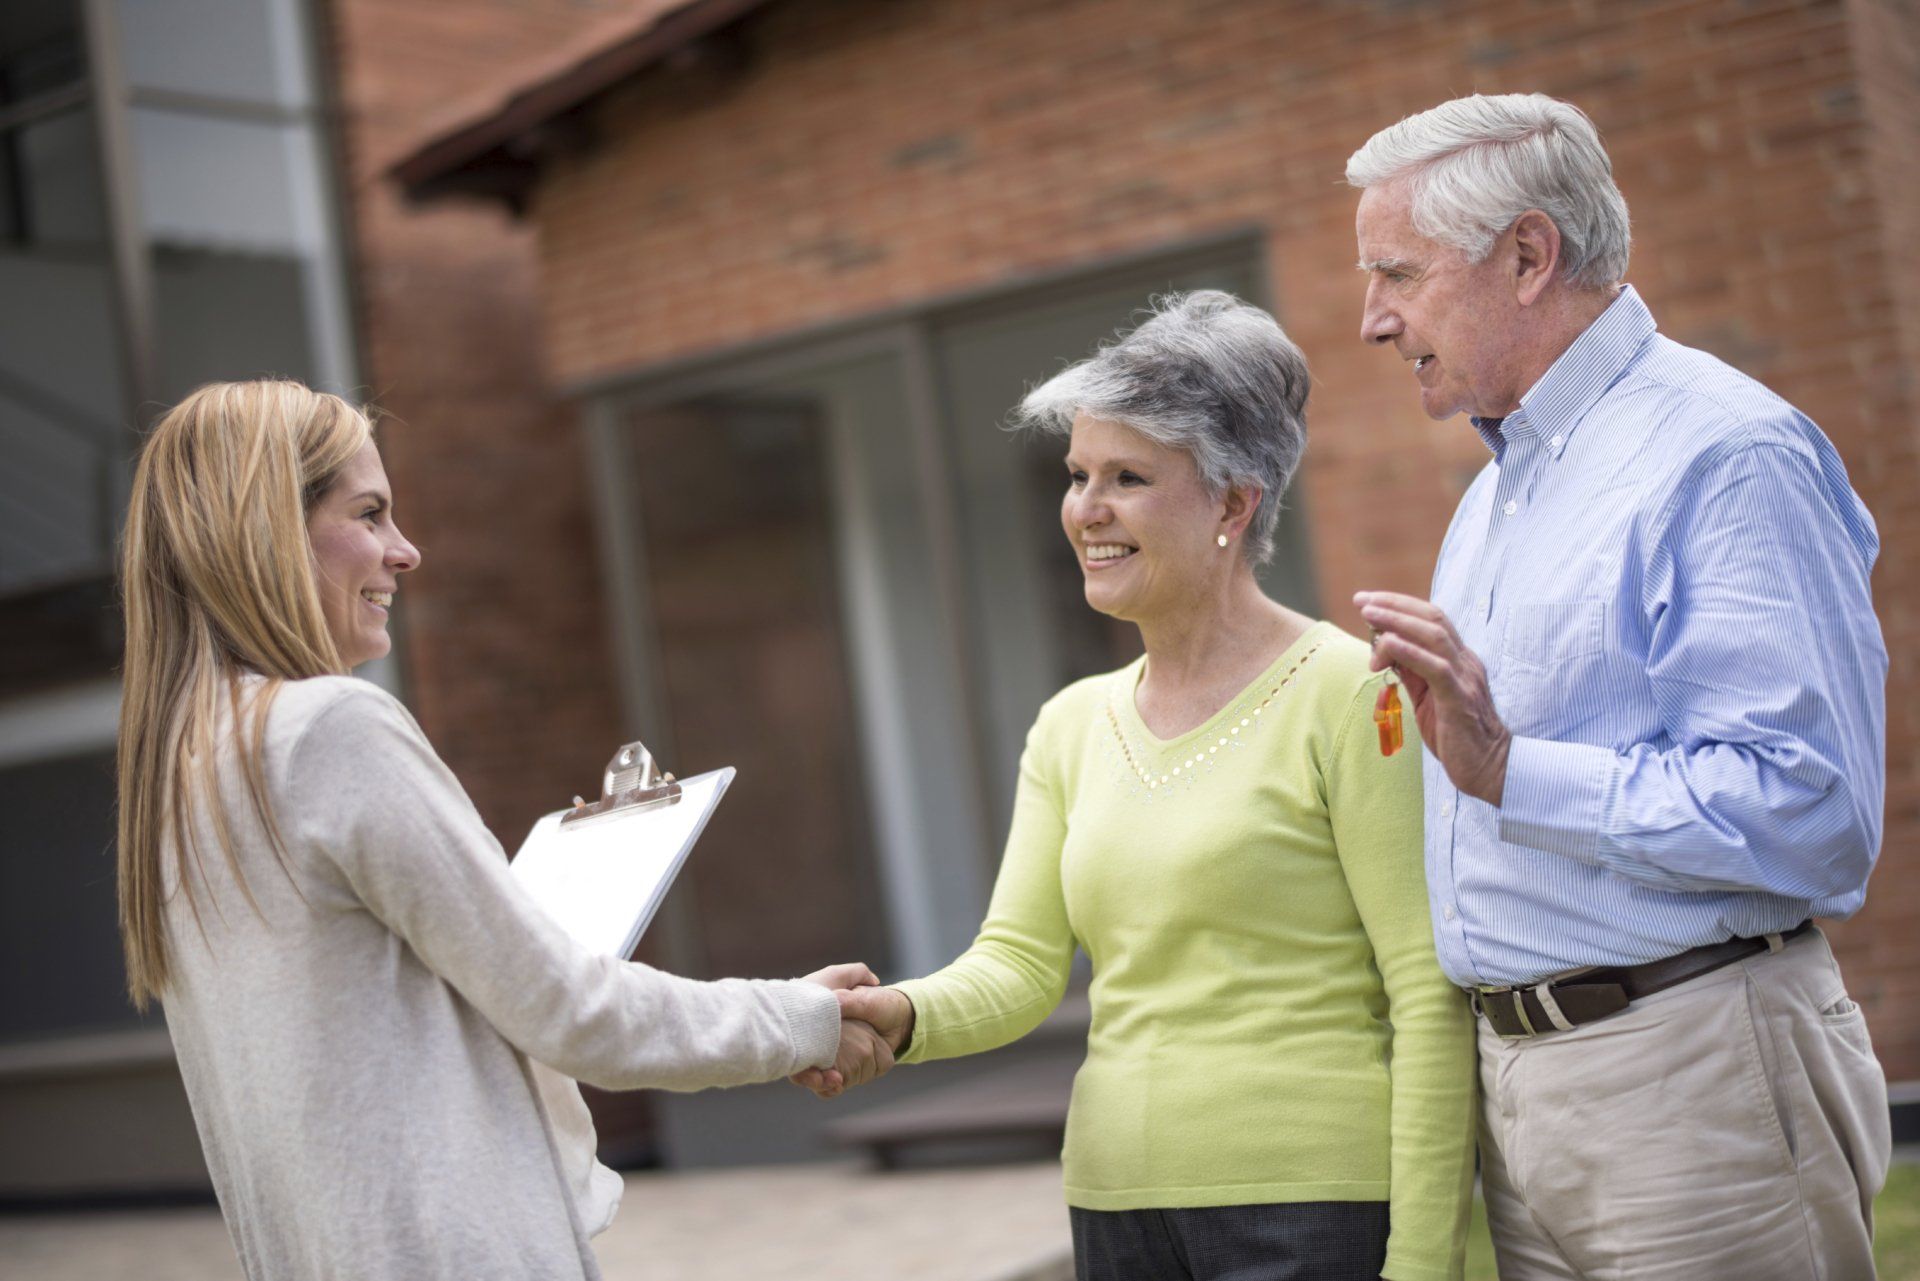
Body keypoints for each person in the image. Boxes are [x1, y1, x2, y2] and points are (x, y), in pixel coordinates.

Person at [115, 379, 890, 1281]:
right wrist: (798, 1019)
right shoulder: (331, 729)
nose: (405, 551)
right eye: (369, 514)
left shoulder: (183, 774)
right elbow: (571, 1010)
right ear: (264, 533)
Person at [803, 293, 1476, 1281]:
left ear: (1234, 504)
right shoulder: (1073, 724)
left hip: (1311, 1206)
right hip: (1116, 1206)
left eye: (1128, 478)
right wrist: (893, 1018)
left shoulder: (1348, 690)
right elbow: (1019, 968)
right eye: (1077, 476)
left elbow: (1428, 993)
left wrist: (1425, 1263)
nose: (1086, 509)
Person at [1347, 93, 1891, 1279]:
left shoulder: (1726, 454)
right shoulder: (1494, 493)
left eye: (1396, 273)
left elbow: (1812, 816)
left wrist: (1506, 769)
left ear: (1529, 255)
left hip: (1692, 1077)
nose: (1371, 322)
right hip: (1525, 1094)